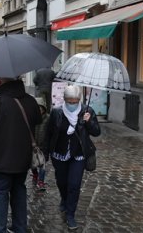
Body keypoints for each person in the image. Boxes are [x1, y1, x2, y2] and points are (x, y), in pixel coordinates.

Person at [0, 77, 41, 233]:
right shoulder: (31, 101)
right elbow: (38, 124)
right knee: (19, 191)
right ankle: (20, 227)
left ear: (0, 81)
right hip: (23, 160)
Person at [45, 85, 100, 230]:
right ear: (64, 100)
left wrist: (89, 122)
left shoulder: (87, 111)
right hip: (59, 154)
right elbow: (48, 133)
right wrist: (45, 153)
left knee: (74, 185)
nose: (72, 104)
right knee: (62, 182)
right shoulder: (56, 112)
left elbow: (96, 132)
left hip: (79, 154)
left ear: (79, 100)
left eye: (75, 101)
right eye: (69, 101)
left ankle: (70, 214)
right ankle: (64, 198)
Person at [31, 97, 50, 191]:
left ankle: (41, 181)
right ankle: (35, 174)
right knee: (33, 163)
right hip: (33, 145)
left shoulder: (48, 118)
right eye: (37, 108)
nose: (39, 110)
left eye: (41, 107)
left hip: (44, 146)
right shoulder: (32, 118)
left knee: (42, 164)